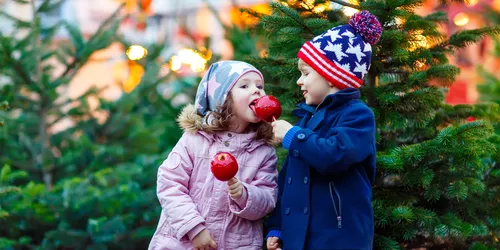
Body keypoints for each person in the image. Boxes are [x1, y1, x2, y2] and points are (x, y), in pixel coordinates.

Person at [266, 10, 383, 250]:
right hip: (300, 239)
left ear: (332, 76)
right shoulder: (308, 120)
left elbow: (334, 156)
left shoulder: (358, 116)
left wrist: (292, 135)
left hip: (339, 239)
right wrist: (277, 227)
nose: (299, 81)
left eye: (306, 73)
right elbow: (289, 179)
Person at [149, 60, 278, 250]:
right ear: (223, 99)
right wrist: (194, 228)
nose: (257, 90)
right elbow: (170, 183)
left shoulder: (263, 152)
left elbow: (268, 199)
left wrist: (245, 194)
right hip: (183, 243)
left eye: (260, 86)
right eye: (244, 86)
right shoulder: (196, 139)